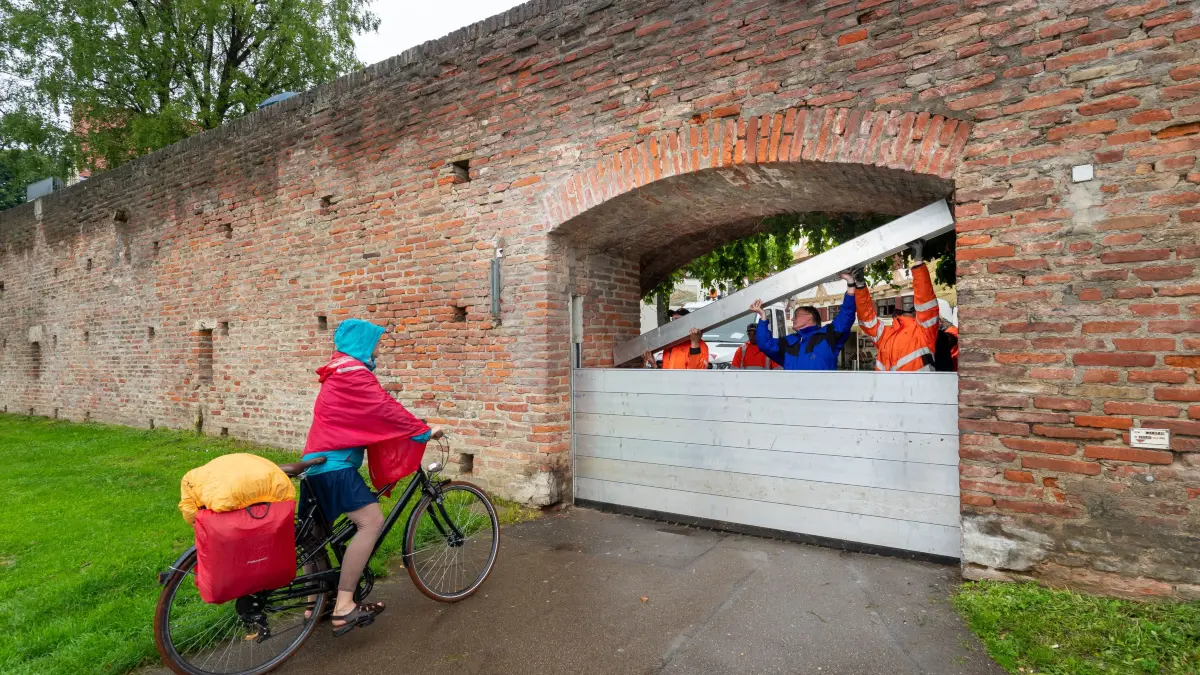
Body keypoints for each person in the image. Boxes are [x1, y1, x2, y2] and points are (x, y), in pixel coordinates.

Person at [301, 318, 443, 632]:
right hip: (334, 467)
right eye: (375, 342)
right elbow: (382, 408)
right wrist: (422, 430)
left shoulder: (337, 371)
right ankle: (344, 606)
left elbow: (366, 414)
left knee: (315, 539)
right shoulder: (353, 374)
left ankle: (316, 605)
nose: (378, 347)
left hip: (315, 465)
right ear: (362, 343)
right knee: (371, 522)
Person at [854, 240, 941, 372]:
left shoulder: (923, 331)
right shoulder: (886, 334)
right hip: (890, 391)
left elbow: (926, 302)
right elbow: (866, 320)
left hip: (918, 391)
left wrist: (918, 262)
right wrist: (860, 285)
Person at [747, 271, 857, 370]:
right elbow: (764, 344)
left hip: (822, 392)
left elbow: (846, 315)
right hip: (794, 393)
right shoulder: (789, 342)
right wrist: (762, 316)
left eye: (796, 315)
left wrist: (851, 283)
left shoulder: (828, 335)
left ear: (809, 316)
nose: (792, 318)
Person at [643, 308, 709, 369]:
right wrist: (653, 364)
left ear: (687, 322)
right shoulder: (669, 345)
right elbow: (665, 375)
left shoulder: (700, 345)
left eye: (677, 320)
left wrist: (694, 343)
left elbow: (697, 372)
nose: (673, 323)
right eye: (672, 319)